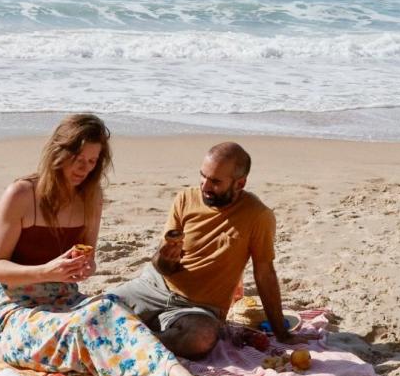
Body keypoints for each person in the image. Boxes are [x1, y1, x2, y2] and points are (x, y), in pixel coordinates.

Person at [0, 114, 228, 376]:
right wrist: (47, 271)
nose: (84, 169)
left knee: (110, 308)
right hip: (18, 313)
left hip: (66, 302)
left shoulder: (91, 197)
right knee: (95, 321)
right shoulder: (22, 194)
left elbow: (89, 260)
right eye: (78, 158)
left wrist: (84, 267)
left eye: (92, 162)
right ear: (59, 151)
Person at [108, 141, 302, 359]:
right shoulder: (185, 199)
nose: (205, 186)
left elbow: (264, 272)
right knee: (98, 308)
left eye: (216, 182)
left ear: (240, 183)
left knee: (201, 338)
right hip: (153, 287)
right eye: (203, 176)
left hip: (198, 309)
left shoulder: (257, 216)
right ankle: (138, 338)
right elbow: (161, 266)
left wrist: (281, 333)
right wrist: (166, 258)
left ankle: (126, 344)